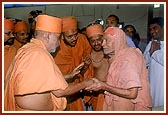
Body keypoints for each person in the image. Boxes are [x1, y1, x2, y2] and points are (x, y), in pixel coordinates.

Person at [4, 14, 94, 111]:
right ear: (48, 36)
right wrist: (86, 83)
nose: (59, 43)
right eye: (58, 37)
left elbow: (41, 80)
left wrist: (69, 75)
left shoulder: (28, 49)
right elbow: (60, 91)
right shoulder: (39, 53)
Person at [86, 27, 152, 111]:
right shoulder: (116, 57)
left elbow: (132, 93)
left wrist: (103, 86)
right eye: (103, 41)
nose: (102, 44)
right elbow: (119, 83)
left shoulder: (129, 58)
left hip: (125, 106)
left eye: (106, 40)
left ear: (117, 41)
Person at [53, 16, 94, 111]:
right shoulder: (55, 46)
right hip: (60, 90)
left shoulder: (82, 40)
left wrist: (86, 65)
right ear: (62, 36)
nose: (74, 39)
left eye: (76, 35)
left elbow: (83, 72)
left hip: (78, 88)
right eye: (70, 36)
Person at [86, 23, 109, 110]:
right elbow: (83, 75)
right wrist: (85, 66)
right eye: (92, 41)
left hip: (108, 93)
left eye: (99, 39)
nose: (96, 43)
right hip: (94, 94)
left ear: (103, 38)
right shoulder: (88, 54)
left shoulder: (109, 52)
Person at [143, 17, 164, 111]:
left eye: (155, 28)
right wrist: (151, 52)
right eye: (150, 29)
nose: (152, 31)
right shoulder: (151, 43)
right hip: (152, 86)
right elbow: (144, 62)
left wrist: (155, 53)